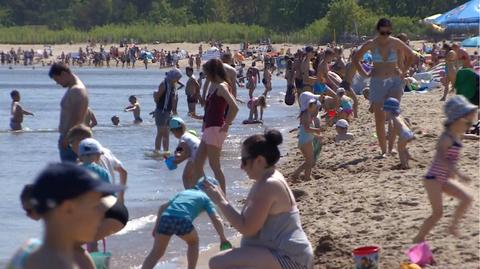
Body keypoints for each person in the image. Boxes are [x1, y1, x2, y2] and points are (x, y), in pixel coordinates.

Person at [204, 129, 314, 269]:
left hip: (291, 259)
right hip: (282, 254)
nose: (241, 167)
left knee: (217, 263)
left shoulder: (269, 185)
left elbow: (247, 228)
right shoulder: (265, 180)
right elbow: (247, 221)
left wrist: (220, 200)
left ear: (259, 160)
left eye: (244, 161)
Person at [7, 163, 124, 269]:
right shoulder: (71, 262)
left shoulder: (25, 251)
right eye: (94, 207)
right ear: (68, 208)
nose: (101, 215)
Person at [412, 96, 476, 243]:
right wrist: (458, 173)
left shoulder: (456, 134)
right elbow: (441, 157)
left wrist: (476, 138)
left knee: (467, 198)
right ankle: (419, 238)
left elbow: (465, 136)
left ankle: (453, 227)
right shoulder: (445, 138)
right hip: (433, 179)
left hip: (444, 179)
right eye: (468, 122)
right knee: (437, 213)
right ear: (456, 120)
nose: (469, 125)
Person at [353, 18, 415, 157]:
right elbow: (355, 58)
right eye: (383, 32)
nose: (386, 35)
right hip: (377, 82)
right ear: (378, 30)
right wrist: (365, 73)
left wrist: (404, 71)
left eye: (388, 32)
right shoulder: (371, 44)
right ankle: (383, 150)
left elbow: (411, 55)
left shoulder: (395, 42)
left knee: (393, 113)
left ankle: (391, 147)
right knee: (379, 117)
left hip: (394, 81)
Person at [142, 177, 230, 269]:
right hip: (182, 220)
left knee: (157, 252)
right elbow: (215, 218)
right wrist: (222, 237)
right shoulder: (205, 198)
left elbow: (162, 208)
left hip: (165, 218)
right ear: (210, 189)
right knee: (193, 242)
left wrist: (156, 227)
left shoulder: (184, 192)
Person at [191, 59, 239, 194]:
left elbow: (234, 108)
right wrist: (200, 117)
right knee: (198, 164)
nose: (205, 76)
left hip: (216, 129)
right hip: (209, 127)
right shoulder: (216, 85)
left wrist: (227, 124)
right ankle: (205, 193)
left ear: (213, 72)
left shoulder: (222, 86)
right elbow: (214, 110)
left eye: (206, 73)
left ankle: (222, 197)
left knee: (215, 166)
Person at [49, 63, 89, 162]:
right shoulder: (74, 89)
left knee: (71, 175)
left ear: (63, 74)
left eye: (57, 79)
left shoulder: (77, 90)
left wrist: (67, 138)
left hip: (72, 141)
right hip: (70, 139)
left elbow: (78, 118)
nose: (57, 83)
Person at [292, 93, 322, 181]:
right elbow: (306, 128)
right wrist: (316, 130)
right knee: (310, 161)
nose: (316, 106)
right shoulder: (306, 114)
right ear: (310, 105)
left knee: (309, 160)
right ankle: (301, 175)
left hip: (306, 139)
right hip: (305, 141)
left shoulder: (308, 114)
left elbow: (306, 131)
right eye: (315, 104)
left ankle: (302, 175)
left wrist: (317, 136)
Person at [154, 69, 182, 153]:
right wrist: (159, 108)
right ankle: (157, 151)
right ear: (172, 76)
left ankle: (166, 151)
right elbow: (157, 97)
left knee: (166, 133)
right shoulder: (164, 84)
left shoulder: (173, 85)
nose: (178, 80)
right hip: (161, 111)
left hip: (168, 112)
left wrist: (174, 112)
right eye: (177, 78)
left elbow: (174, 99)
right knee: (160, 132)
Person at [169, 117, 202, 189]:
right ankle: (197, 191)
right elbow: (179, 151)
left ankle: (189, 194)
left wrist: (177, 161)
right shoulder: (188, 135)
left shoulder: (183, 139)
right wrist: (176, 156)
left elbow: (187, 153)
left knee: (185, 177)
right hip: (202, 152)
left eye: (172, 132)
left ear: (174, 131)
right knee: (194, 176)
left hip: (195, 154)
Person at [383, 98, 414, 169]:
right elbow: (407, 123)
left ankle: (404, 165)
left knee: (400, 149)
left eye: (386, 111)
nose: (385, 113)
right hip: (409, 132)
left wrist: (390, 136)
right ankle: (408, 156)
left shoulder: (392, 118)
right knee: (403, 147)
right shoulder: (399, 116)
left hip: (403, 135)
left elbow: (394, 129)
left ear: (388, 111)